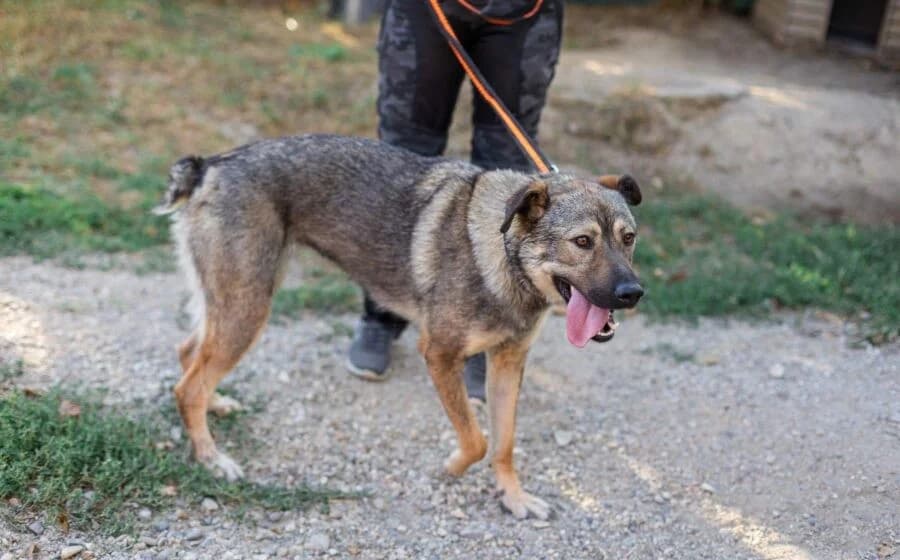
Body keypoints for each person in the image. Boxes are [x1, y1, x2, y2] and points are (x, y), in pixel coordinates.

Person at [346, 0, 564, 403]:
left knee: (507, 171)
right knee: (402, 163)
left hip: (524, 15)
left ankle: (489, 331)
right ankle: (381, 315)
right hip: (426, 11)